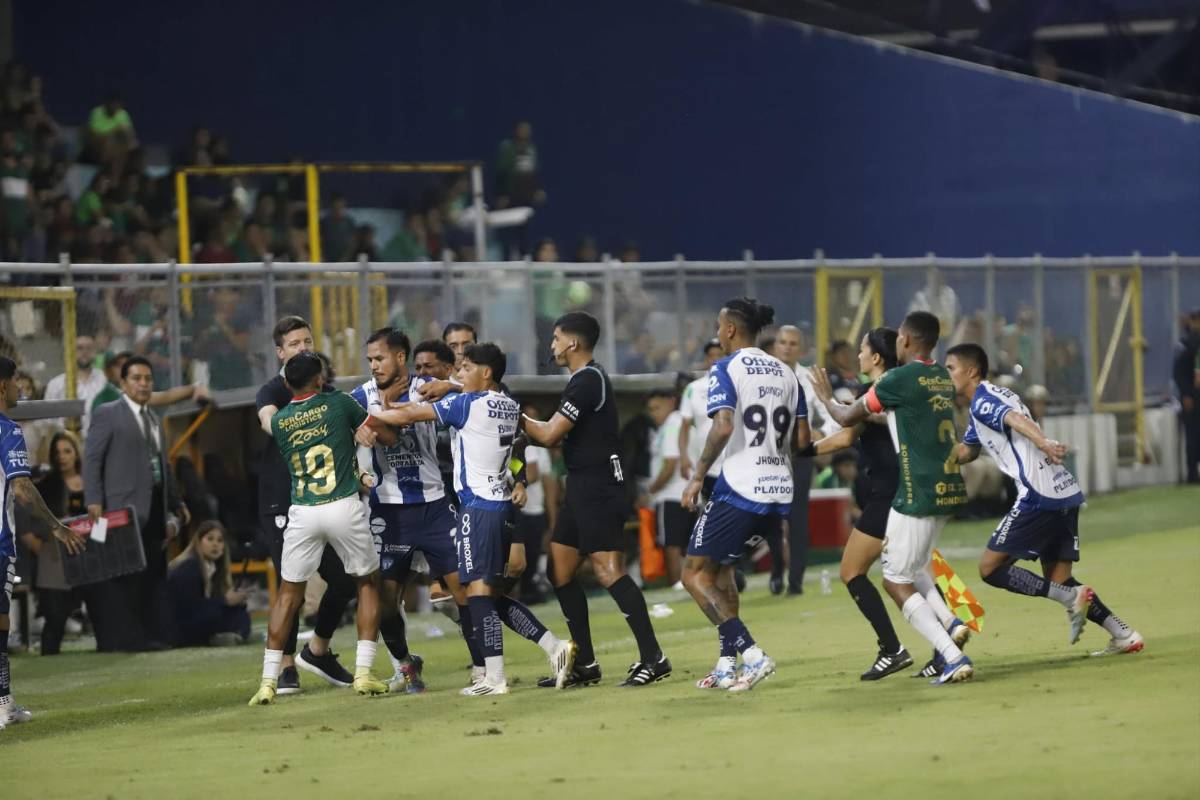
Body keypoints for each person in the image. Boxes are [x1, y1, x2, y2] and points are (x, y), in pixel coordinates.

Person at [374, 343, 576, 695]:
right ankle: (553, 647)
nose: (459, 374)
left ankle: (494, 679)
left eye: (466, 368)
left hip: (478, 507)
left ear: (485, 373)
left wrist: (374, 414)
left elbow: (409, 416)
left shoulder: (467, 404)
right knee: (490, 595)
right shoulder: (509, 405)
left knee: (478, 594)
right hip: (502, 507)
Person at [946, 343, 1143, 657]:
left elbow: (1012, 418)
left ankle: (1070, 599)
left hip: (1038, 495)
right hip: (1063, 491)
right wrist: (927, 451)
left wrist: (1042, 441)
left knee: (990, 568)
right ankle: (1123, 634)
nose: (947, 375)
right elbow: (968, 451)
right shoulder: (985, 402)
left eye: (950, 368)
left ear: (971, 371)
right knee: (1060, 578)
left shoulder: (984, 400)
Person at [812, 311, 974, 685]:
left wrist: (824, 397)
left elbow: (844, 416)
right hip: (948, 485)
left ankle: (950, 655)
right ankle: (951, 621)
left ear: (905, 339)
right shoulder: (940, 376)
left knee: (895, 579)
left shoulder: (898, 380)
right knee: (915, 566)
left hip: (914, 489)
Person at [522, 311, 671, 687]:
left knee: (608, 570)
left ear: (572, 342)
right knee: (561, 568)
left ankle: (654, 658)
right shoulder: (583, 379)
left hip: (600, 486)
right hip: (582, 484)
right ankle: (585, 663)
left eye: (556, 338)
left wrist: (508, 412)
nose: (552, 345)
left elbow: (551, 434)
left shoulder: (587, 380)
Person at [680, 298, 810, 692]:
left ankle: (752, 654)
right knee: (720, 573)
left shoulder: (725, 367)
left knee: (693, 575)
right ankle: (725, 665)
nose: (718, 333)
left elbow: (722, 426)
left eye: (720, 327)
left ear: (731, 330)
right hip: (779, 489)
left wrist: (698, 475)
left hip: (739, 486)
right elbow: (802, 440)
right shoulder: (789, 376)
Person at [249, 352, 388, 705]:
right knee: (367, 582)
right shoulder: (339, 403)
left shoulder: (280, 421)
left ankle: (268, 681)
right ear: (318, 378)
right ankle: (364, 673)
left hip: (303, 511)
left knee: (288, 594)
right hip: (342, 503)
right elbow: (372, 429)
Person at [351, 327, 467, 692]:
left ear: (400, 357)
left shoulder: (427, 387)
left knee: (462, 591)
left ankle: (485, 666)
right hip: (388, 511)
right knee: (385, 599)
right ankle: (405, 665)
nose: (373, 366)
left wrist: (452, 387)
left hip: (433, 504)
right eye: (369, 359)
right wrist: (357, 464)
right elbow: (337, 433)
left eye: (379, 358)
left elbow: (478, 397)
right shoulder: (359, 397)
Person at [255, 317, 360, 694]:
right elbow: (267, 422)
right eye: (295, 343)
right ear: (280, 352)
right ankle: (284, 667)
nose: (303, 348)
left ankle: (318, 649)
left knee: (346, 580)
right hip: (283, 502)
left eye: (308, 341)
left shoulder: (327, 392)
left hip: (325, 501)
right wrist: (299, 420)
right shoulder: (272, 391)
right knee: (292, 587)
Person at [805, 328, 913, 680]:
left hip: (888, 495)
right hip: (904, 491)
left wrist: (824, 398)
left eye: (864, 349)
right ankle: (948, 641)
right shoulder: (898, 387)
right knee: (913, 575)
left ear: (877, 357)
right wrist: (805, 451)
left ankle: (893, 648)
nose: (859, 354)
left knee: (852, 571)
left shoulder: (877, 392)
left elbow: (844, 423)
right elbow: (847, 437)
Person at [0, 356, 88, 730]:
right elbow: (21, 487)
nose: (21, 388)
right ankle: (3, 707)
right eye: (17, 381)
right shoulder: (7, 430)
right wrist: (55, 526)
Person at [85, 356, 191, 651]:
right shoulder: (107, 413)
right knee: (127, 576)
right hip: (122, 510)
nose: (143, 384)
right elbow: (92, 459)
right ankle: (129, 639)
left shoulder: (153, 419)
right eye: (136, 378)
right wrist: (93, 499)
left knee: (154, 572)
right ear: (123, 383)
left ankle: (152, 634)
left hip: (154, 506)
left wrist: (176, 501)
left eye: (147, 378)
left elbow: (162, 465)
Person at [773, 324, 826, 596]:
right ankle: (774, 573)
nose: (787, 347)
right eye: (782, 341)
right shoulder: (763, 374)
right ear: (775, 345)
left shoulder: (808, 378)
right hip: (767, 457)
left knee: (797, 517)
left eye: (793, 343)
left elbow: (828, 415)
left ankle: (795, 580)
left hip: (798, 457)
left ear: (801, 349)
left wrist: (821, 434)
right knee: (766, 517)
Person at [167, 520, 251, 647]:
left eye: (220, 540)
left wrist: (237, 601)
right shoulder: (189, 567)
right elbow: (191, 610)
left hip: (197, 621)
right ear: (199, 542)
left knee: (240, 615)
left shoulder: (214, 569)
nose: (215, 544)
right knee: (232, 616)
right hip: (179, 628)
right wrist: (225, 601)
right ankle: (215, 639)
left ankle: (221, 638)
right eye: (210, 539)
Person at [645, 389, 692, 588]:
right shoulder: (677, 424)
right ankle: (690, 584)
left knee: (671, 544)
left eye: (657, 407)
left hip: (671, 494)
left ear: (671, 402)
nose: (653, 413)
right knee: (686, 544)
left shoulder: (672, 424)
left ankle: (676, 585)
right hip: (687, 493)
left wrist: (651, 489)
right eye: (650, 409)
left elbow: (670, 463)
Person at [516, 403, 557, 603]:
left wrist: (552, 517)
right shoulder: (519, 439)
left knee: (532, 555)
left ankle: (530, 591)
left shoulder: (538, 446)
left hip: (534, 508)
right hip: (519, 509)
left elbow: (546, 481)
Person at [678, 339, 725, 501]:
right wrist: (684, 457)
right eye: (711, 355)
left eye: (720, 354)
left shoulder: (737, 385)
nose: (715, 359)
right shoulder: (693, 389)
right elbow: (684, 427)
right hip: (707, 466)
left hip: (734, 465)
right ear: (706, 359)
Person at [91, 350, 208, 413]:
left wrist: (194, 387)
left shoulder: (129, 392)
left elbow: (164, 397)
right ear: (108, 371)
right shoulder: (104, 397)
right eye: (118, 365)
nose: (125, 368)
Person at [42, 334, 108, 435]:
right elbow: (49, 423)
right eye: (79, 348)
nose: (84, 352)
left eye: (89, 348)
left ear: (95, 352)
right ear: (70, 351)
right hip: (67, 443)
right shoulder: (56, 384)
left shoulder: (105, 381)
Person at [1174, 311, 1200, 483]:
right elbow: (1179, 373)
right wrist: (1186, 394)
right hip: (1192, 396)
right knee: (1192, 435)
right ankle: (1192, 474)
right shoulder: (1185, 344)